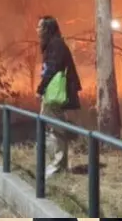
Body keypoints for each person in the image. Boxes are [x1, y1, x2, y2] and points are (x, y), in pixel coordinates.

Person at [35, 15, 82, 177]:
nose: (37, 30)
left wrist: (40, 89)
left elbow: (52, 69)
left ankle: (58, 166)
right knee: (53, 127)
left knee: (56, 128)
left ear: (47, 29)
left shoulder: (56, 46)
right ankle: (57, 163)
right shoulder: (54, 45)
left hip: (55, 94)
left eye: (40, 27)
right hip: (53, 93)